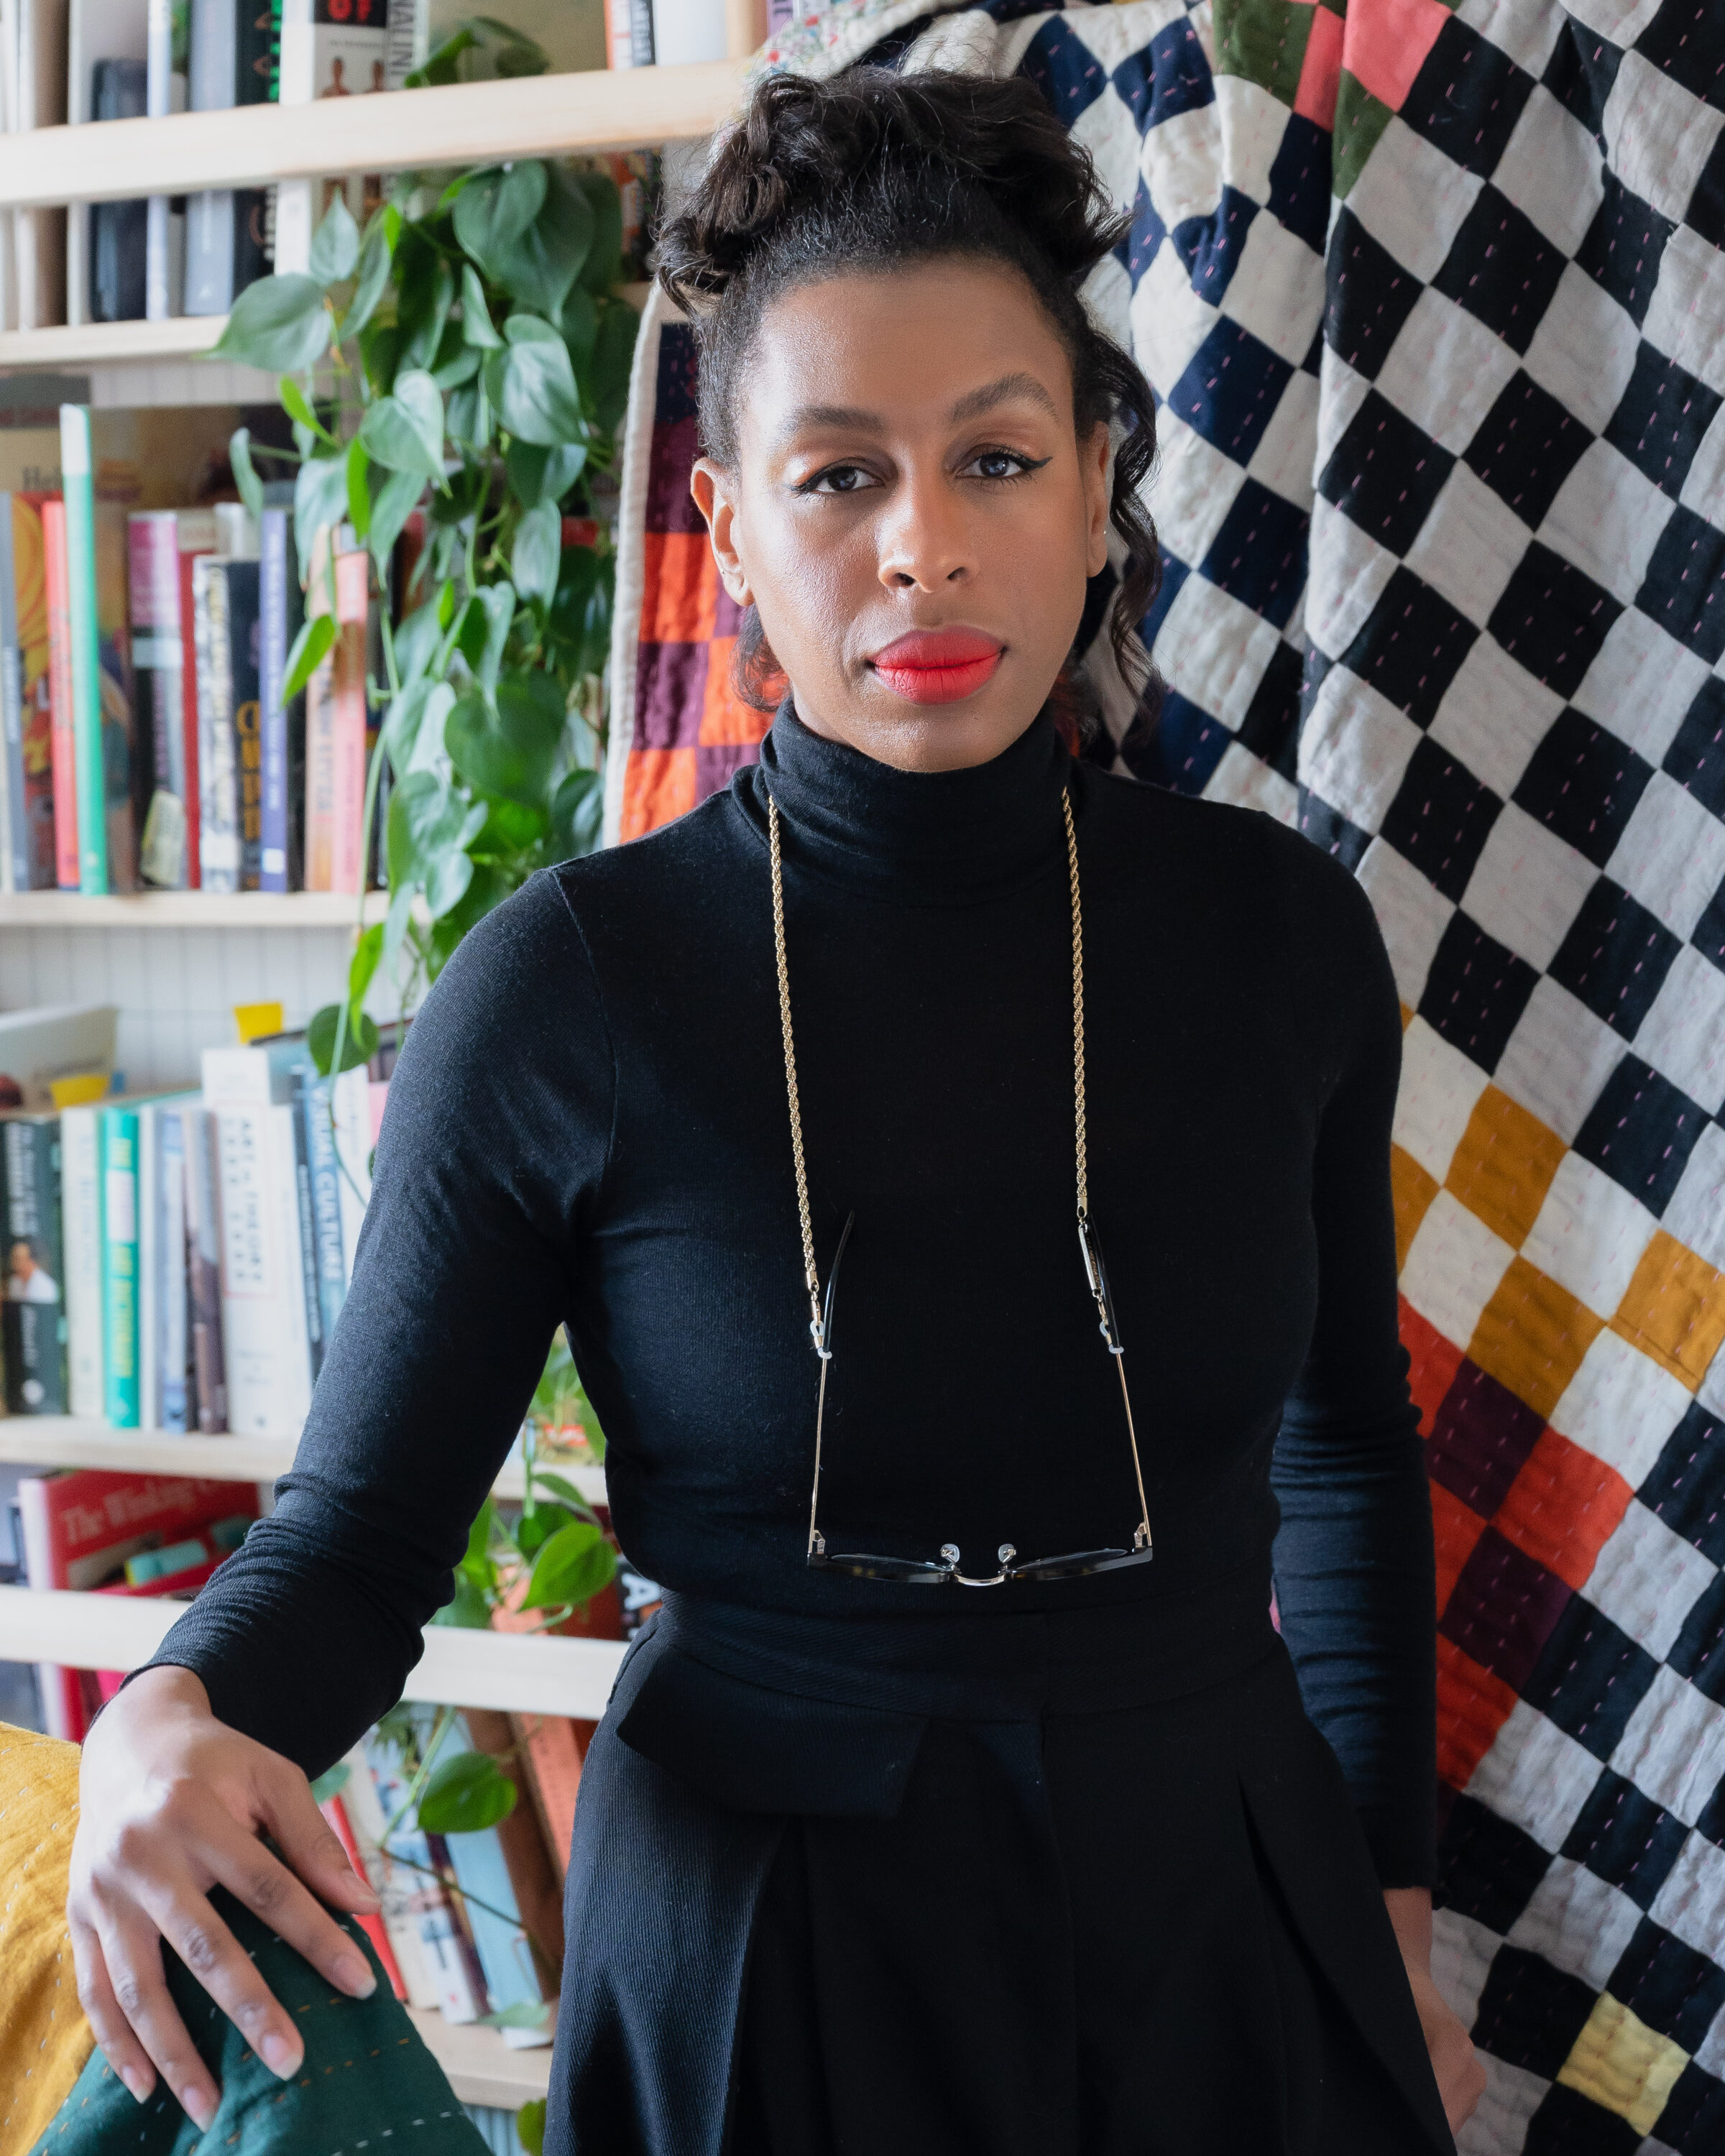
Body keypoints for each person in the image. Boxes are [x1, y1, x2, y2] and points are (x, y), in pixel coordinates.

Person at [68, 68, 1486, 2155]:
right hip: (765, 1953)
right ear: (727, 526)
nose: (925, 547)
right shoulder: (568, 989)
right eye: (839, 478)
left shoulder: (1277, 940)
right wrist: (156, 1730)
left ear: (1096, 492)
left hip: (1235, 1917)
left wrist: (1390, 1920)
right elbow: (363, 1544)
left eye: (998, 458)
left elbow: (1349, 1455)